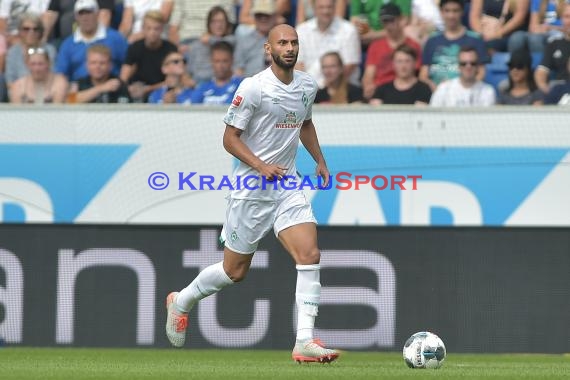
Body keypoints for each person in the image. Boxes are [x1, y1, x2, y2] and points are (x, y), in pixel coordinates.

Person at [165, 23, 340, 364]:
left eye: (294, 42)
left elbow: (304, 122)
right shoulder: (254, 88)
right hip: (251, 189)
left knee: (310, 254)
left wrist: (319, 159)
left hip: (287, 184)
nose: (289, 48)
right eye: (282, 43)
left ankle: (304, 340)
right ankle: (181, 301)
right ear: (268, 49)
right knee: (235, 271)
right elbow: (229, 139)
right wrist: (260, 166)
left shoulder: (307, 85)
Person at [420, 0, 488, 91]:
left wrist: (464, 89)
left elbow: (481, 73)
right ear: (441, 12)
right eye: (447, 11)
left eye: (455, 11)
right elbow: (423, 75)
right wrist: (436, 89)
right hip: (436, 95)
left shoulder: (475, 39)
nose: (451, 16)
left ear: (462, 12)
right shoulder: (432, 40)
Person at [55, 0, 127, 81]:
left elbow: (128, 64)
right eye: (81, 14)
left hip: (112, 88)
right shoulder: (68, 44)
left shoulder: (115, 38)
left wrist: (122, 84)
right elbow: (61, 73)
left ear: (97, 14)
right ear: (76, 17)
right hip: (80, 90)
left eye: (89, 13)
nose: (85, 18)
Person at [361, 3, 422, 99]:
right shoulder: (375, 46)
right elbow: (368, 74)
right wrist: (368, 86)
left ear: (401, 20)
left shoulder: (413, 45)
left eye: (392, 21)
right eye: (385, 21)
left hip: (406, 91)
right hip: (381, 92)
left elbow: (417, 73)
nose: (388, 25)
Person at [296, 0, 361, 88]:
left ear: (335, 8)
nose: (325, 11)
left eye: (329, 7)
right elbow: (298, 65)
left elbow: (349, 66)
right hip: (308, 89)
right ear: (314, 9)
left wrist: (322, 87)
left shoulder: (348, 30)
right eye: (321, 7)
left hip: (341, 89)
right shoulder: (301, 30)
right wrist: (309, 87)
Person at [120, 10, 178, 102]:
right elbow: (123, 78)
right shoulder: (135, 47)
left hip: (162, 94)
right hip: (136, 92)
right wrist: (128, 88)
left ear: (162, 29)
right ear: (143, 28)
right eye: (149, 28)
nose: (152, 32)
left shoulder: (171, 49)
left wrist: (148, 89)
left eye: (156, 29)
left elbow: (173, 81)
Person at [430, 46, 496, 106]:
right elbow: (433, 114)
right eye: (463, 64)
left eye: (472, 63)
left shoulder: (487, 91)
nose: (468, 67)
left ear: (477, 66)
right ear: (458, 66)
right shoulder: (444, 88)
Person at [186, 6, 236, 85]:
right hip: (197, 85)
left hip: (221, 83)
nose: (218, 25)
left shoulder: (233, 41)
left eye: (221, 21)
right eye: (214, 22)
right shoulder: (196, 45)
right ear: (208, 24)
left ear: (227, 23)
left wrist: (210, 39)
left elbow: (225, 43)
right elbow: (189, 71)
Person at [5, 13, 57, 87]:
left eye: (35, 29)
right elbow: (10, 81)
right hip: (20, 94)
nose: (31, 32)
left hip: (46, 91)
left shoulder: (49, 50)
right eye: (26, 29)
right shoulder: (13, 52)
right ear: (20, 31)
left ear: (40, 32)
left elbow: (53, 77)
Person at [233, 0, 276, 78]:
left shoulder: (280, 41)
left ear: (274, 17)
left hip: (274, 85)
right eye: (259, 15)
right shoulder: (244, 40)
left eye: (267, 15)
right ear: (254, 17)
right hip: (249, 83)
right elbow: (238, 70)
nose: (263, 19)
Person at [191, 41, 243, 105]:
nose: (220, 66)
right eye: (217, 61)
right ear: (211, 62)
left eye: (225, 61)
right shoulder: (203, 87)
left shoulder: (241, 86)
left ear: (232, 60)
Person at [535, 2, 570, 94]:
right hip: (560, 89)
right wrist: (547, 91)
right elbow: (541, 71)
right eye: (567, 17)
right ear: (561, 19)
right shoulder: (554, 43)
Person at [42, 0, 114, 44]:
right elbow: (50, 14)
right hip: (64, 40)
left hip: (95, 39)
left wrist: (99, 40)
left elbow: (105, 15)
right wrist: (42, 39)